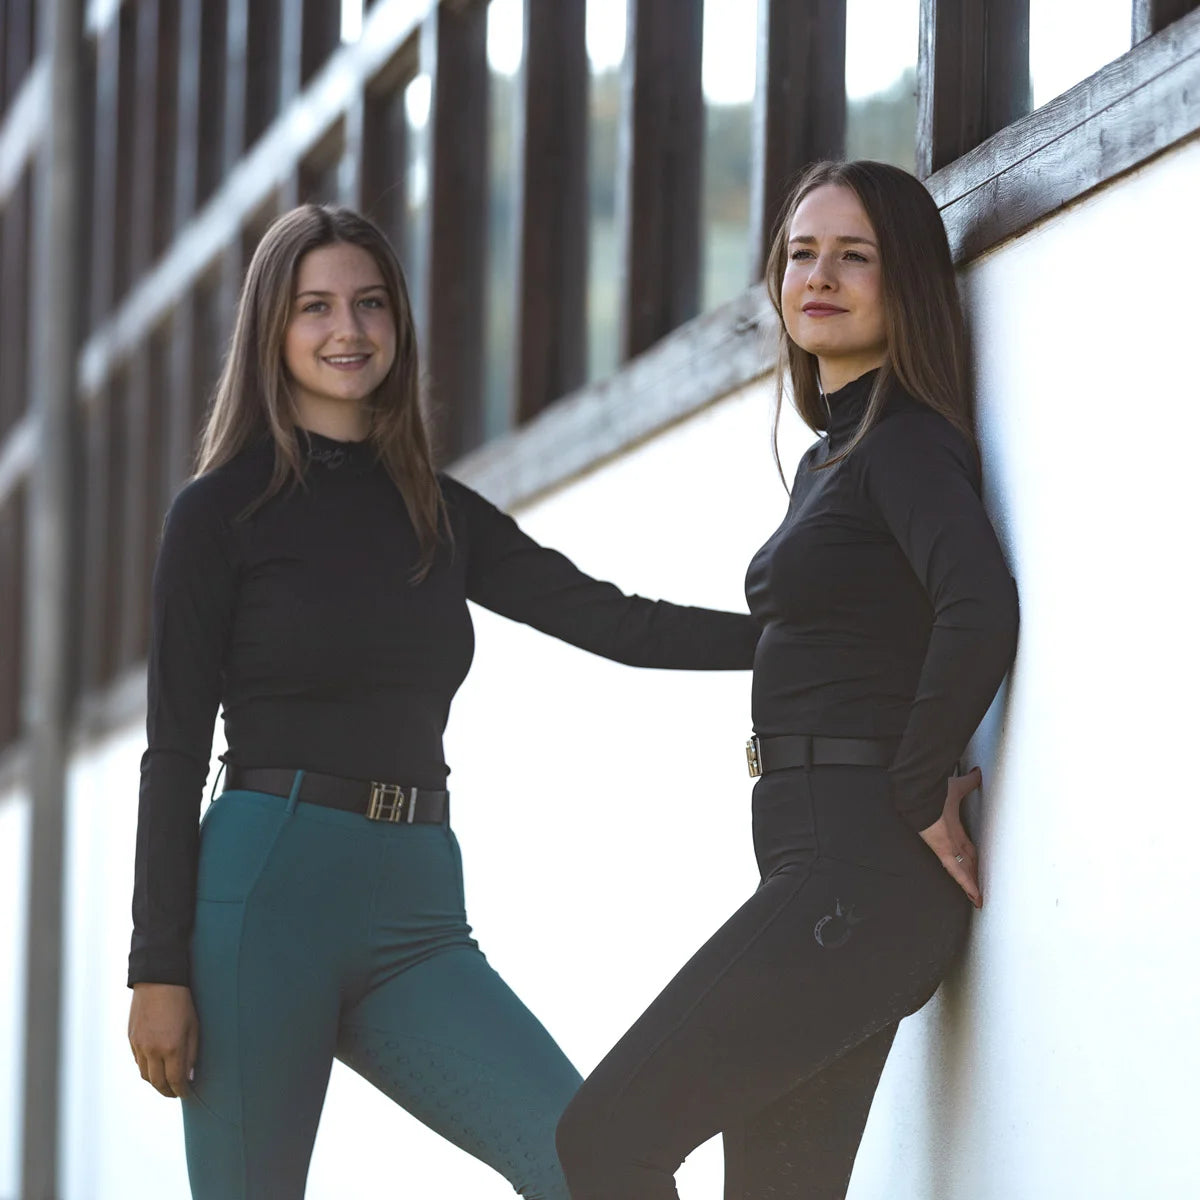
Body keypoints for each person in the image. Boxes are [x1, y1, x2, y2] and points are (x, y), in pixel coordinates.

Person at [125, 204, 759, 1200]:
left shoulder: (436, 512)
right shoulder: (218, 514)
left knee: (597, 1167)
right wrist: (155, 965)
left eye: (370, 303)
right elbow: (172, 749)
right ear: (270, 330)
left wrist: (794, 641)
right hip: (265, 898)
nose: (348, 330)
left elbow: (614, 622)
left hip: (414, 905)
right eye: (315, 307)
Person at [555, 159, 1021, 1198]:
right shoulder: (833, 455)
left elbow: (981, 602)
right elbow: (819, 629)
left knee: (603, 1137)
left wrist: (918, 782)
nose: (820, 276)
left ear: (906, 280)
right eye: (802, 254)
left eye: (855, 256)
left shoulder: (904, 443)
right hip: (822, 864)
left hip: (856, 870)